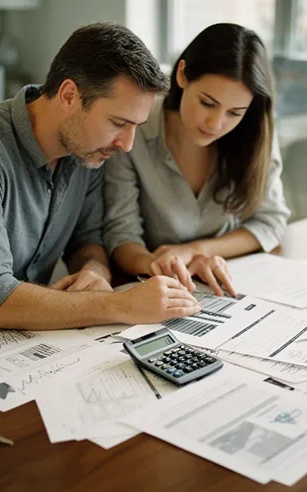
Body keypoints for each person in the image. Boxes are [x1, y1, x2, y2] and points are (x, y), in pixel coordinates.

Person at [0, 22, 201, 334]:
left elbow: (88, 240)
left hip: (17, 339)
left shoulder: (87, 151)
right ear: (69, 95)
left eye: (135, 126)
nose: (127, 144)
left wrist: (94, 270)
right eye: (118, 123)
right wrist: (115, 304)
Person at [103, 23, 291, 298]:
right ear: (182, 74)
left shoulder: (255, 131)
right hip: (158, 285)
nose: (216, 123)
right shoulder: (136, 128)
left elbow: (271, 221)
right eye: (207, 103)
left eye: (234, 112)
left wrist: (197, 251)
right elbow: (120, 235)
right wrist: (157, 263)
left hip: (231, 284)